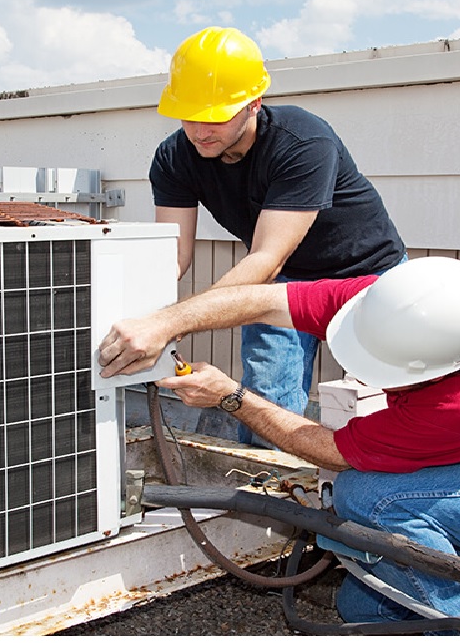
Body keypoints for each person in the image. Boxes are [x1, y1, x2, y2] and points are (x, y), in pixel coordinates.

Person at [98, 256, 460, 635]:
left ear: (437, 370)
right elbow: (263, 299)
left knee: (368, 499)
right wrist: (165, 322)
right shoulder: (390, 304)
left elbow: (332, 451)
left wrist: (232, 397)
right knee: (361, 611)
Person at [150, 26, 406, 447]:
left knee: (390, 399)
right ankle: (273, 487)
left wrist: (176, 320)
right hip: (284, 282)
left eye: (216, 116)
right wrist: (144, 316)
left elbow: (267, 257)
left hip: (369, 276)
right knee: (266, 401)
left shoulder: (302, 141)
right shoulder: (175, 157)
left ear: (254, 103)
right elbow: (173, 256)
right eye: (189, 115)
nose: (200, 130)